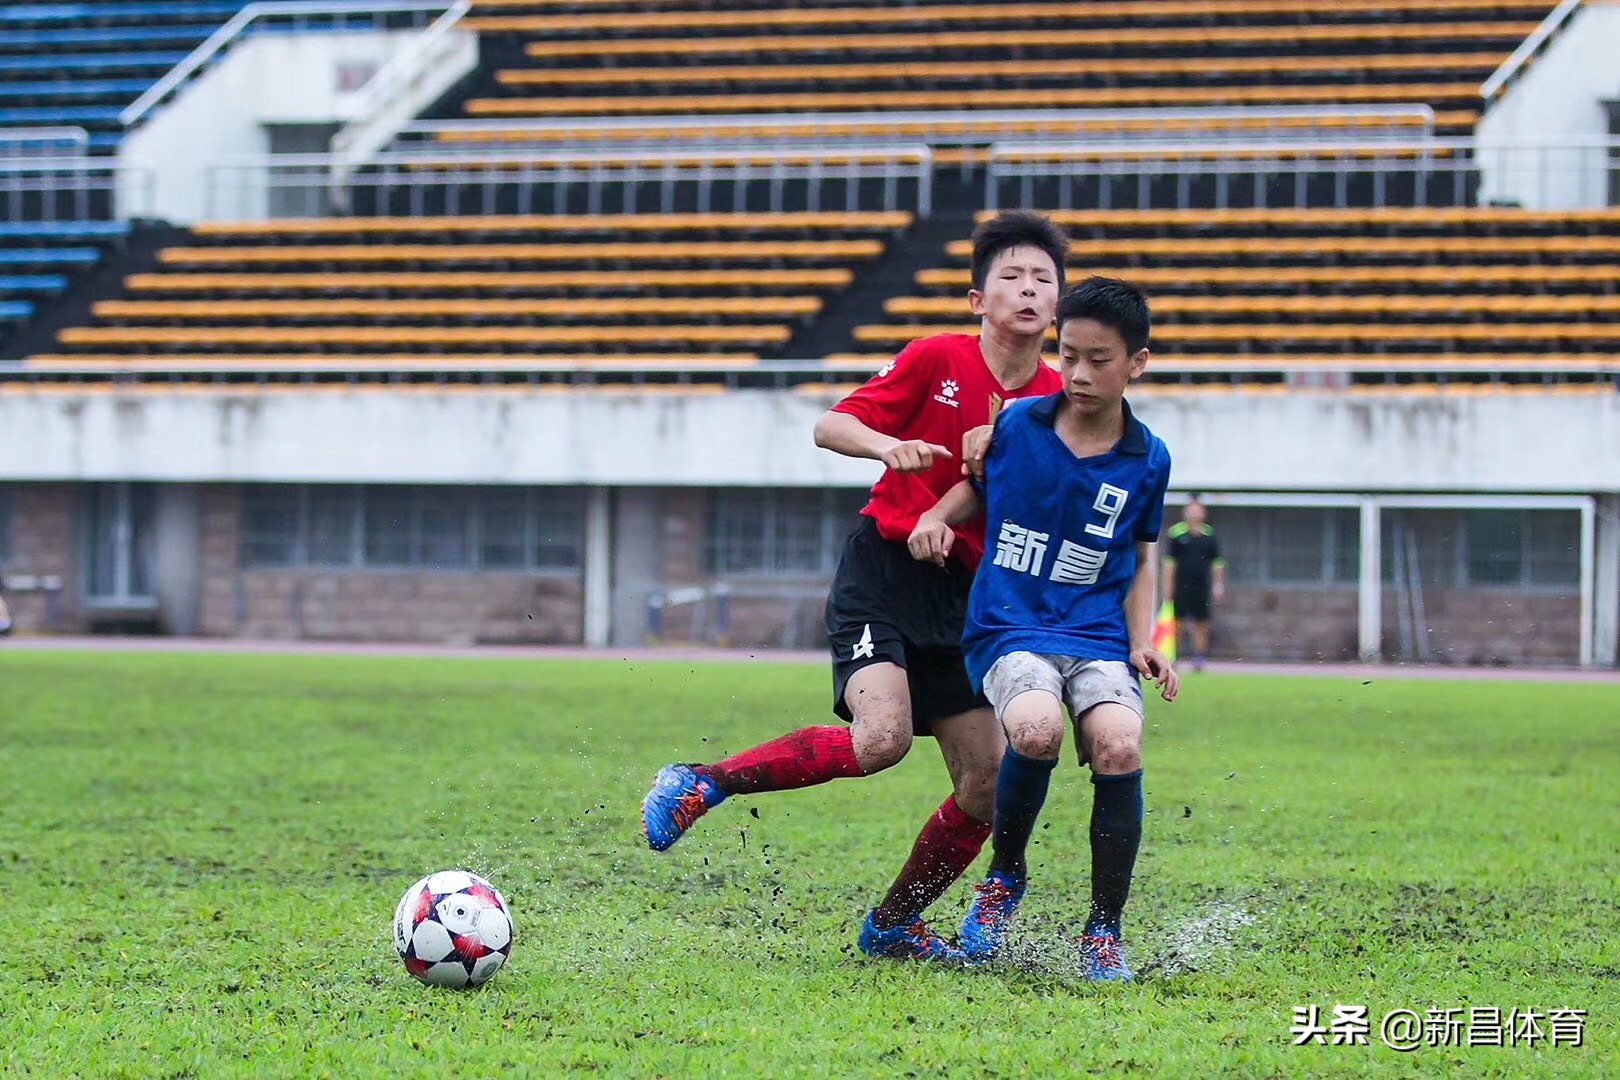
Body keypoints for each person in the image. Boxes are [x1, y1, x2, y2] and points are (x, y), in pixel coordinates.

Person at [641, 211, 1071, 962]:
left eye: (1043, 278)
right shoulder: (935, 358)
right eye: (1012, 275)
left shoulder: (1057, 402)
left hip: (970, 598)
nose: (1029, 289)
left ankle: (894, 924)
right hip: (885, 572)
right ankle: (703, 782)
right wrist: (888, 445)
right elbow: (831, 426)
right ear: (978, 299)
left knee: (987, 781)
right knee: (881, 740)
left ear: (1059, 303)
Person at [907, 277, 1177, 979]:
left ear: (1137, 363)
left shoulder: (1149, 458)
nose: (1079, 374)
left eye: (1099, 359)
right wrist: (935, 516)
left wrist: (1142, 641)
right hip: (1010, 625)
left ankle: (1103, 931)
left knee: (1119, 745)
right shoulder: (1017, 425)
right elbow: (976, 488)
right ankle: (1004, 877)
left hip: (1097, 636)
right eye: (1069, 355)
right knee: (1034, 731)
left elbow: (1141, 556)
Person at [1164, 496, 1225, 671]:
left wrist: (1218, 586)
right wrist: (1168, 587)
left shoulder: (1209, 535)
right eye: (1191, 510)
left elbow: (1217, 563)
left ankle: (1199, 658)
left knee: (1201, 622)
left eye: (1197, 510)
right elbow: (1169, 563)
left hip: (1201, 586)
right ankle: (1174, 656)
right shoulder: (1176, 534)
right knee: (1178, 623)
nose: (1194, 514)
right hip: (1181, 586)